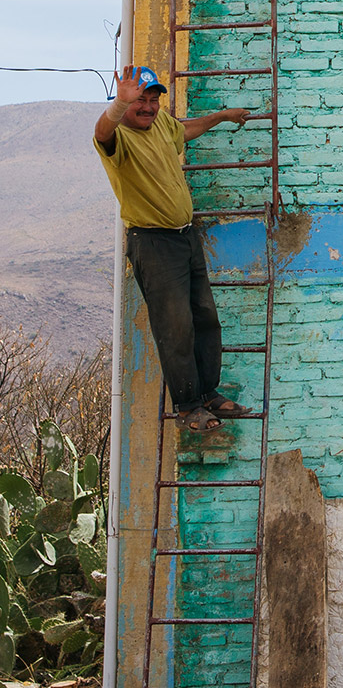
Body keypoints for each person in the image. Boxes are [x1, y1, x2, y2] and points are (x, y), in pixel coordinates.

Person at [94, 65, 252, 433]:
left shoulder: (161, 125)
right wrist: (120, 104)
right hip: (153, 242)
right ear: (124, 102)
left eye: (153, 99)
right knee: (175, 325)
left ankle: (208, 393)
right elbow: (101, 131)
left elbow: (185, 130)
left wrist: (223, 116)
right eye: (140, 100)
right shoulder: (116, 137)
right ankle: (188, 406)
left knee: (204, 318)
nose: (147, 107)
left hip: (185, 236)